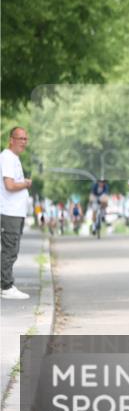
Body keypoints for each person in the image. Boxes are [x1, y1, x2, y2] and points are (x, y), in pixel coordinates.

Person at [1, 127, 32, 299]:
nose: (23, 142)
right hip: (9, 211)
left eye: (25, 139)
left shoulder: (14, 158)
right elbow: (10, 185)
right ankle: (6, 286)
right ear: (11, 139)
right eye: (20, 138)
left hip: (16, 212)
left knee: (12, 249)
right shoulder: (7, 157)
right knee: (9, 249)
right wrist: (26, 183)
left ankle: (5, 284)